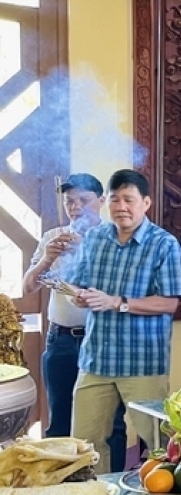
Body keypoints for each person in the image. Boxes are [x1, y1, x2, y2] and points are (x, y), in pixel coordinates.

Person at [69, 169, 181, 472]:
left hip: (142, 363)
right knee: (84, 446)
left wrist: (117, 303)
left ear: (146, 203)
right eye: (116, 199)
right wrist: (78, 296)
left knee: (163, 445)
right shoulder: (94, 238)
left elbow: (170, 302)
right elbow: (76, 286)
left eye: (129, 200)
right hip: (95, 360)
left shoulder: (164, 244)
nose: (122, 206)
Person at [22, 173, 104, 438]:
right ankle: (60, 478)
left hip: (102, 339)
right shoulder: (53, 237)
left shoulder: (114, 239)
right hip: (61, 341)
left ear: (101, 201)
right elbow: (29, 286)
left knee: (105, 423)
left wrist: (84, 253)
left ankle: (104, 477)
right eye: (69, 201)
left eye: (83, 200)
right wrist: (47, 258)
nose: (75, 207)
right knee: (60, 419)